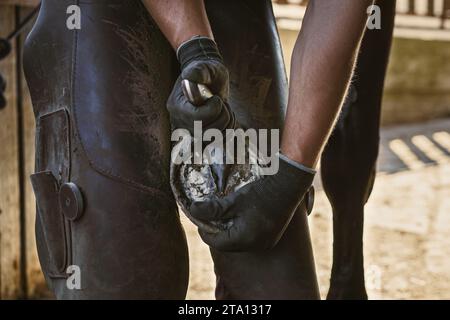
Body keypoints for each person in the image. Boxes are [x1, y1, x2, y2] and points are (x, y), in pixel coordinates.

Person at [24, 0, 393, 299]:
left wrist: (291, 172)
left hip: (238, 10)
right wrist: (194, 45)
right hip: (101, 11)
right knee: (127, 271)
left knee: (276, 285)